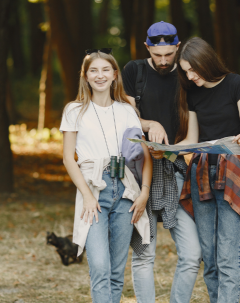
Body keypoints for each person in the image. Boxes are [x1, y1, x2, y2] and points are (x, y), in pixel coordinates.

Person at [60, 48, 152, 303]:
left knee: (115, 270)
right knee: (99, 266)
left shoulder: (126, 111)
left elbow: (142, 156)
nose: (99, 75)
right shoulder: (74, 110)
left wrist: (144, 192)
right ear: (85, 76)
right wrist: (88, 196)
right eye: (93, 70)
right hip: (94, 190)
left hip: (125, 192)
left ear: (114, 74)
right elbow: (69, 158)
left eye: (105, 70)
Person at [121, 21, 201, 303]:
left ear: (178, 47)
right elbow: (126, 118)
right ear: (148, 48)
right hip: (139, 171)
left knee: (192, 255)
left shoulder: (187, 76)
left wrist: (169, 152)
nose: (165, 61)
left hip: (174, 171)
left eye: (170, 55)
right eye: (158, 56)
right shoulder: (134, 70)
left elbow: (192, 133)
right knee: (144, 256)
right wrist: (150, 123)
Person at [173, 37, 240, 303]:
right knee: (209, 257)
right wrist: (166, 149)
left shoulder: (236, 83)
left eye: (192, 69)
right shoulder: (193, 93)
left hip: (231, 171)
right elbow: (192, 140)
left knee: (227, 258)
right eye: (185, 71)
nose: (190, 75)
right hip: (201, 175)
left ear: (205, 61)